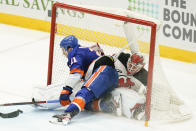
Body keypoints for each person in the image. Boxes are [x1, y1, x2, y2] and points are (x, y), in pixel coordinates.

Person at [49, 35, 119, 125]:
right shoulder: (83, 50)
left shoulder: (76, 53)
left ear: (69, 48)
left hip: (104, 72)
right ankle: (108, 104)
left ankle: (68, 114)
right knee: (86, 103)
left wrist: (66, 90)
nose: (63, 53)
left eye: (63, 50)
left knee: (84, 92)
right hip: (109, 77)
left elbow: (76, 74)